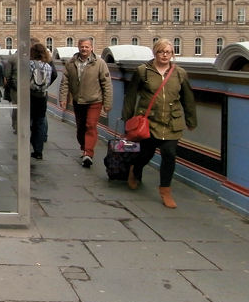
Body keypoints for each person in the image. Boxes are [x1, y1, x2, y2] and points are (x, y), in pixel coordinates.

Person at [122, 38, 197, 208]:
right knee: (146, 154)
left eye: (168, 52)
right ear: (155, 53)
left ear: (172, 54)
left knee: (169, 155)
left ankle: (165, 191)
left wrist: (191, 120)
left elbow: (188, 99)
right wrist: (127, 118)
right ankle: (136, 168)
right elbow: (131, 96)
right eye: (161, 51)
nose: (165, 55)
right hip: (149, 122)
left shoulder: (180, 73)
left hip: (172, 122)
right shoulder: (143, 71)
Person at [59, 37, 113, 168]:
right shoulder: (71, 63)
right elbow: (64, 82)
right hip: (78, 100)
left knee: (90, 125)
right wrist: (63, 98)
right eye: (82, 46)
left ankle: (88, 153)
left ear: (92, 48)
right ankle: (84, 148)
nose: (84, 49)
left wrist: (107, 102)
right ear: (78, 47)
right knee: (81, 128)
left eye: (87, 47)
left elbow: (107, 84)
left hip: (95, 100)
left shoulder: (100, 63)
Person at [28, 42, 57, 160]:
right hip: (42, 97)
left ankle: (27, 144)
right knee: (39, 122)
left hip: (29, 96)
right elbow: (52, 77)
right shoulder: (48, 66)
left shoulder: (29, 64)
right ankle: (38, 151)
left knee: (27, 121)